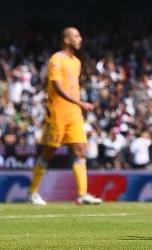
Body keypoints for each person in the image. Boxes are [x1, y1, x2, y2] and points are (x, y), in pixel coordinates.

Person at [26, 27, 102, 205]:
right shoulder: (56, 60)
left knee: (80, 149)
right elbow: (58, 87)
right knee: (49, 151)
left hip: (74, 114)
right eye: (76, 36)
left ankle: (82, 194)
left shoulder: (76, 62)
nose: (80, 39)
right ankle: (32, 192)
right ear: (67, 40)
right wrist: (80, 102)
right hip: (58, 113)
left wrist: (78, 104)